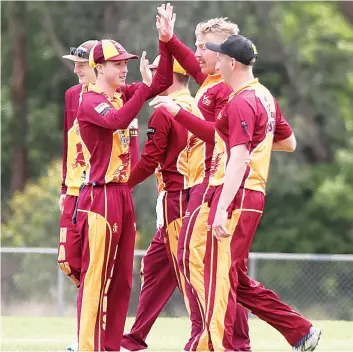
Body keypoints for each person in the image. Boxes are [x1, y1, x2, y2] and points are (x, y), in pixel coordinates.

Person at [201, 34, 321, 352]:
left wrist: (223, 207)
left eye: (221, 58)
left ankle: (219, 347)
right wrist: (259, 149)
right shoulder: (263, 96)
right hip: (251, 194)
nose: (217, 62)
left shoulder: (242, 100)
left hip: (238, 194)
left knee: (221, 278)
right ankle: (300, 331)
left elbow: (239, 156)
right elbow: (289, 142)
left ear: (233, 63)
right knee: (234, 277)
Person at [149, 4, 250, 351]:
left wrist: (177, 111)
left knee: (213, 267)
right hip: (203, 186)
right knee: (212, 267)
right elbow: (187, 62)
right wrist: (167, 38)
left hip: (217, 187)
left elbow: (217, 137)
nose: (197, 53)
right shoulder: (211, 80)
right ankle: (220, 338)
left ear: (224, 54)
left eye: (203, 46)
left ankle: (222, 339)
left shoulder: (229, 91)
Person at [74, 39, 172, 351]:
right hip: (100, 197)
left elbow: (163, 82)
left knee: (122, 282)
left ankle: (111, 346)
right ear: (98, 68)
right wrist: (143, 88)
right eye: (118, 64)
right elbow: (116, 120)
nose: (124, 69)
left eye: (125, 63)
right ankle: (89, 346)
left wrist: (167, 43)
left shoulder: (120, 96)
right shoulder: (90, 101)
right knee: (97, 278)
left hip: (122, 195)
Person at [58, 40, 98, 286]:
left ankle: (93, 312)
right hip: (73, 190)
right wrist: (63, 187)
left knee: (96, 260)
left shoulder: (116, 95)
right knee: (67, 259)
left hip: (98, 189)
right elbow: (67, 142)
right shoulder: (72, 95)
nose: (76, 70)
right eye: (76, 65)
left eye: (82, 65)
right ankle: (88, 297)